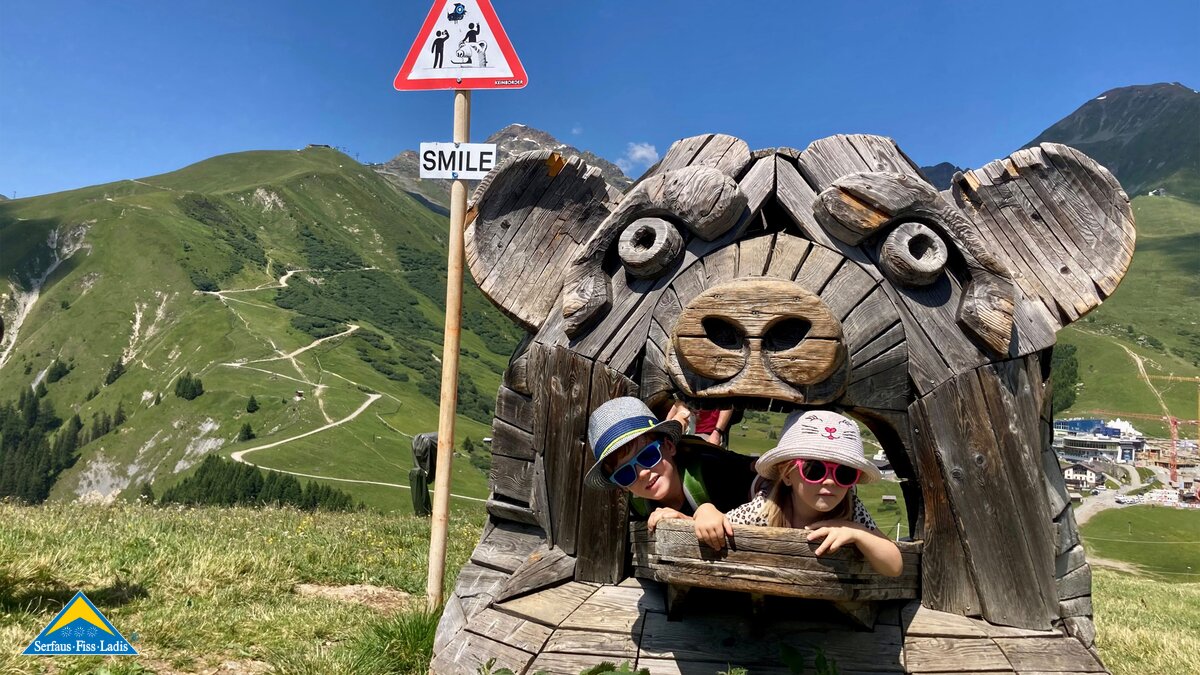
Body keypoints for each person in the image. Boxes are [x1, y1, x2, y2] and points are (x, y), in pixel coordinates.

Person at [726, 410, 902, 577]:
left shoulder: (852, 509)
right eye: (814, 470)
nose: (830, 481)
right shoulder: (766, 508)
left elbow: (894, 566)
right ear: (787, 475)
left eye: (844, 473)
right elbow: (721, 523)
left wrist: (857, 532)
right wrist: (707, 511)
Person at [585, 397, 758, 549]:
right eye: (625, 474)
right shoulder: (639, 506)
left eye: (648, 456)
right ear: (622, 487)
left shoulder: (714, 471)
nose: (642, 474)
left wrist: (708, 512)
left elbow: (769, 498)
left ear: (669, 446)